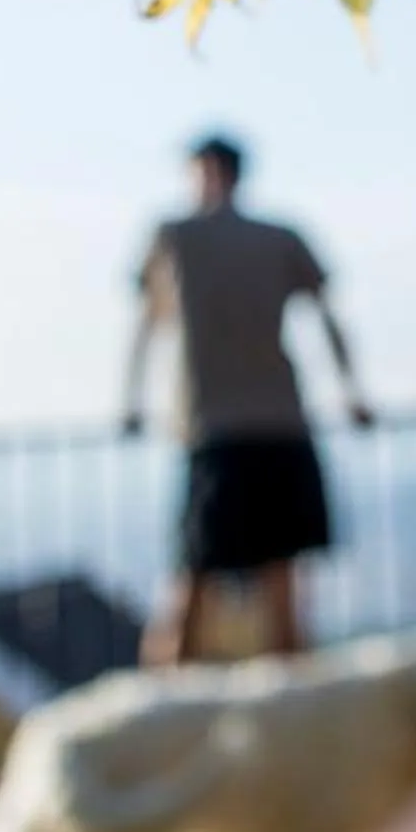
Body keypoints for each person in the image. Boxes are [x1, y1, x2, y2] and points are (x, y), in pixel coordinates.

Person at [120, 133, 372, 667]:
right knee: (272, 587)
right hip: (276, 426)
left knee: (197, 586)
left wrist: (133, 402)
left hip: (220, 431)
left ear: (205, 171)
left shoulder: (175, 235)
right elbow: (328, 317)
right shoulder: (276, 237)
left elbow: (147, 320)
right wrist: (353, 394)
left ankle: (163, 717)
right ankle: (290, 718)